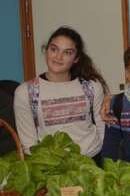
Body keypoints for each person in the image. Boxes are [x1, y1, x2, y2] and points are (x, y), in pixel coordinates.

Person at [14, 27, 107, 159]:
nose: (58, 57)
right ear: (46, 50)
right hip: (52, 167)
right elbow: (29, 143)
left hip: (91, 160)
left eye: (67, 53)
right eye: (54, 49)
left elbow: (103, 128)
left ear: (76, 58)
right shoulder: (25, 92)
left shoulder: (92, 87)